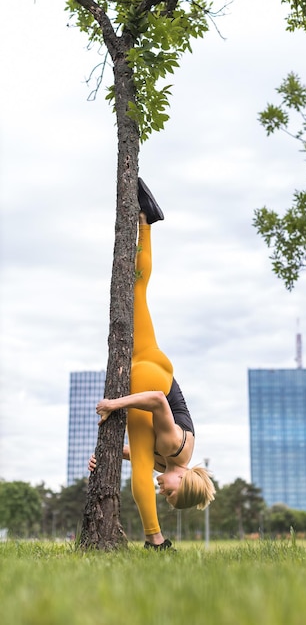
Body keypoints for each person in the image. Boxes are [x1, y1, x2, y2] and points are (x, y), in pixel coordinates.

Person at [89, 178, 215, 550]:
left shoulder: (168, 462)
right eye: (173, 495)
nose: (166, 493)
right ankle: (154, 540)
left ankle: (145, 219)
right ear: (186, 482)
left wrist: (105, 456)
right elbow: (159, 402)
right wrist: (115, 404)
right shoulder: (178, 448)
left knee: (136, 289)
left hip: (155, 367)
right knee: (136, 289)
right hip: (151, 376)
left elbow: (131, 450)